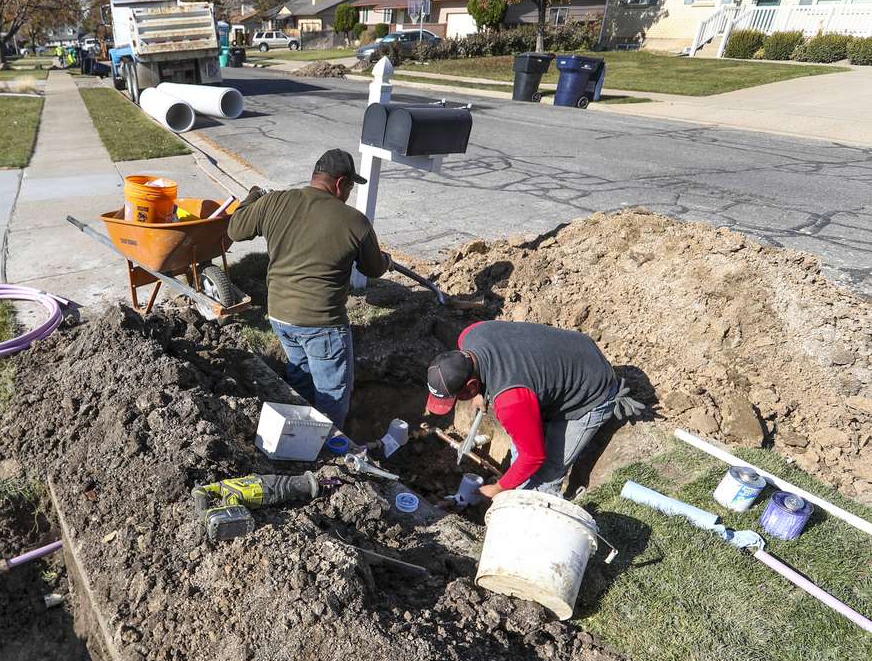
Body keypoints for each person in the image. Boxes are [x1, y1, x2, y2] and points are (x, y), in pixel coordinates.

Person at [227, 149, 390, 428]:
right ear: (340, 184)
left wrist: (254, 196)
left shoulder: (274, 201)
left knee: (300, 377)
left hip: (280, 315)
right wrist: (385, 260)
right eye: (350, 186)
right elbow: (373, 269)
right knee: (332, 396)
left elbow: (235, 229)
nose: (349, 193)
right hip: (321, 323)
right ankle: (329, 449)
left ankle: (301, 435)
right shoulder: (354, 221)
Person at [425, 320, 643, 500]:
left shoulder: (511, 401)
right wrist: (481, 392)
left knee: (544, 478)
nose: (458, 402)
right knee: (523, 451)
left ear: (471, 384)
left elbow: (533, 457)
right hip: (574, 353)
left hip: (592, 390)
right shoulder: (471, 334)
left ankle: (540, 510)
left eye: (458, 397)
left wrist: (498, 488)